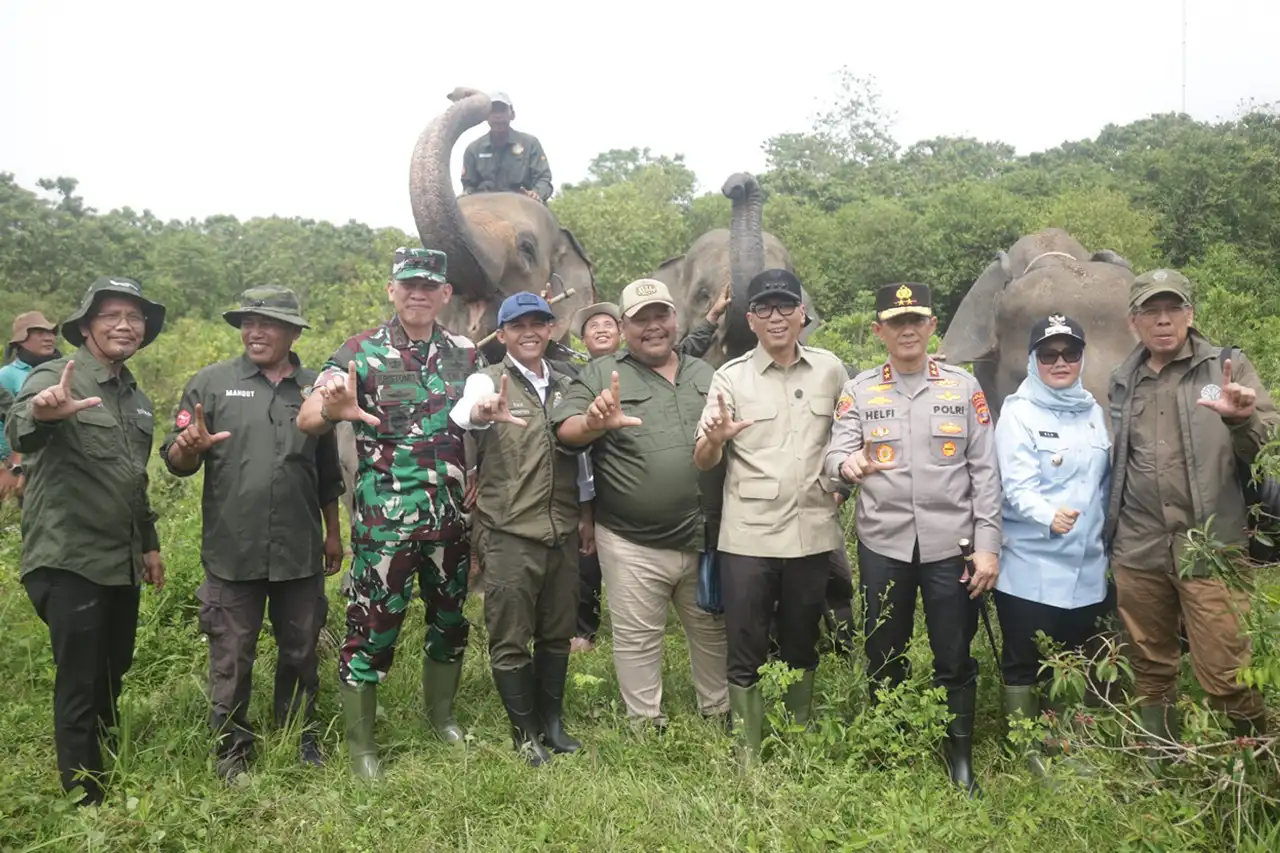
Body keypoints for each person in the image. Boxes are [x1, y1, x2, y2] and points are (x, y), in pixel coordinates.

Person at [297, 247, 482, 778]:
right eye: (408, 284)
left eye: (428, 285)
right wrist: (328, 408)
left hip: (448, 522)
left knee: (450, 624)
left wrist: (480, 472)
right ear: (392, 290)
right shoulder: (360, 353)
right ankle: (363, 750)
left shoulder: (465, 355)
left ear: (445, 293)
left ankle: (441, 717)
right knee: (371, 632)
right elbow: (310, 414)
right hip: (385, 528)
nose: (417, 293)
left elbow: (483, 416)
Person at [822, 282, 1001, 796]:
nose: (907, 330)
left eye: (916, 320)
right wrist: (846, 463)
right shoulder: (859, 390)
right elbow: (835, 455)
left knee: (954, 653)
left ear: (931, 327)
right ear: (879, 330)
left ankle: (959, 754)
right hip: (885, 545)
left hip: (953, 547)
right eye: (895, 322)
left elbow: (985, 473)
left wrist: (988, 545)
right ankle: (889, 744)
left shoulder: (963, 388)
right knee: (884, 651)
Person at [160, 287, 346, 781]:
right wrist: (189, 448)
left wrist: (333, 533)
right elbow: (176, 462)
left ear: (292, 332)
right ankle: (231, 749)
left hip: (300, 548)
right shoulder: (212, 384)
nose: (254, 331)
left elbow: (327, 471)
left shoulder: (314, 388)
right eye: (247, 322)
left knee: (302, 647)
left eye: (267, 323)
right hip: (232, 550)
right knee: (231, 653)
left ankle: (298, 734)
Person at [6, 277, 167, 806]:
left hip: (119, 559)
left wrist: (148, 542)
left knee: (112, 668)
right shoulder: (57, 376)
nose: (125, 325)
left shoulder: (137, 398)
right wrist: (44, 411)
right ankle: (84, 794)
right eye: (111, 315)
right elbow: (21, 426)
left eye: (135, 317)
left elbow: (132, 478)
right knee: (79, 678)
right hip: (69, 556)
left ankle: (104, 762)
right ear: (87, 326)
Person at [1106, 269, 1277, 752]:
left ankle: (1245, 769)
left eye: (1173, 309)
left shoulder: (1227, 367)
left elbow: (1266, 443)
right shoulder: (1123, 380)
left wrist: (1242, 418)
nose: (1164, 320)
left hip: (1212, 545)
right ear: (1133, 322)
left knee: (1227, 666)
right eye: (1151, 312)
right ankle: (1158, 760)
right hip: (1139, 546)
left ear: (1190, 314)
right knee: (1149, 663)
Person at [555, 278, 730, 730]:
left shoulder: (705, 374)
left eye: (661, 316)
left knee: (713, 629)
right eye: (640, 319)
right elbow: (565, 429)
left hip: (704, 535)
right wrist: (593, 423)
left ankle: (719, 713)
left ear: (675, 319)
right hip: (632, 538)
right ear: (623, 326)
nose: (653, 327)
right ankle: (644, 722)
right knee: (637, 637)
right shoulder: (600, 373)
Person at [693, 268, 846, 762]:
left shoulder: (830, 370)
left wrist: (841, 481)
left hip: (812, 531)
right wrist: (715, 440)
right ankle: (748, 750)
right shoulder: (730, 376)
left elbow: (848, 438)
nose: (776, 317)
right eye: (763, 308)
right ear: (750, 320)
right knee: (746, 646)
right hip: (749, 536)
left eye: (785, 307)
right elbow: (703, 457)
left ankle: (798, 737)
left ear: (803, 314)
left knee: (803, 641)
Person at [451, 292, 587, 764]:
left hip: (562, 531)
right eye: (518, 325)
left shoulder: (571, 381)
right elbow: (464, 412)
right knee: (510, 638)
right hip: (508, 532)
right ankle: (523, 732)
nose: (530, 332)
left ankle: (552, 722)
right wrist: (483, 412)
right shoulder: (487, 380)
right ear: (503, 334)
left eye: (539, 323)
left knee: (556, 633)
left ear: (550, 329)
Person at [994, 314, 1110, 776]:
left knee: (1073, 657)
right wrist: (1048, 515)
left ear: (1082, 358)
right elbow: (1014, 486)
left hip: (1087, 564)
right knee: (1024, 661)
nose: (1060, 362)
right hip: (1031, 565)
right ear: (1032, 361)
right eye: (1048, 354)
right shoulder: (1018, 414)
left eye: (1070, 353)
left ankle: (1067, 741)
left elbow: (1103, 487)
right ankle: (1026, 749)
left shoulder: (1093, 411)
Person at [566, 301, 623, 651]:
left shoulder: (638, 370)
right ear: (583, 339)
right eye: (593, 326)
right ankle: (583, 631)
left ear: (622, 333)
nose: (602, 329)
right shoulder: (571, 375)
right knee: (586, 554)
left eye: (608, 324)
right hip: (587, 480)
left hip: (628, 481)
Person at [0, 311, 60, 502]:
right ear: (21, 340)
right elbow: (5, 423)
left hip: (60, 466)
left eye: (51, 332)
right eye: (40, 332)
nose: (49, 337)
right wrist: (10, 465)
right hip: (22, 467)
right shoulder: (7, 376)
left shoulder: (62, 370)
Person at [460, 92, 553, 203]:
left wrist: (537, 193)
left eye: (502, 110)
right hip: (485, 204)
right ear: (485, 116)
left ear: (512, 114)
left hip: (523, 202)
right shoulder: (473, 149)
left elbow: (543, 178)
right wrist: (467, 193)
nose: (497, 115)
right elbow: (469, 184)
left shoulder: (530, 143)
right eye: (493, 111)